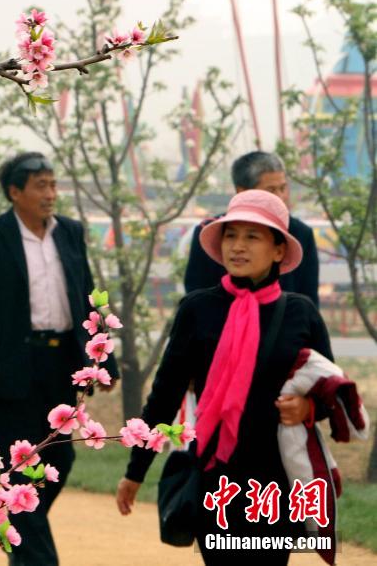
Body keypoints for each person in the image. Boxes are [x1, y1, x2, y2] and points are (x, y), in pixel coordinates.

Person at [116, 190, 334, 565]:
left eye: (252, 236)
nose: (238, 246)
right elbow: (165, 394)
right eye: (231, 235)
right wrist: (135, 471)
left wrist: (308, 407)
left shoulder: (301, 314)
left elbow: (331, 392)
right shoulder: (197, 309)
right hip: (215, 477)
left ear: (278, 250)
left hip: (276, 480)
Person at [0, 151, 120, 566]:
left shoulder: (70, 232)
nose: (50, 194)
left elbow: (89, 295)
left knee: (62, 457)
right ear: (15, 192)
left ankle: (20, 538)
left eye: (53, 185)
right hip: (13, 367)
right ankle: (40, 560)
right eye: (41, 186)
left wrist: (105, 362)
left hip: (63, 365)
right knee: (22, 465)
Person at [185, 151, 320, 307]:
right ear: (242, 192)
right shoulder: (213, 232)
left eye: (283, 188)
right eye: (271, 190)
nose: (281, 197)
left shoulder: (301, 234)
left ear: (279, 251)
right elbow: (196, 294)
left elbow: (309, 298)